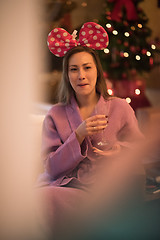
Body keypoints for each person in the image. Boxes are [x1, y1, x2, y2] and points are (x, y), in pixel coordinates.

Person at [37, 22, 144, 238]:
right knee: (37, 200)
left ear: (97, 70)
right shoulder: (55, 115)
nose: (81, 75)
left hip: (106, 191)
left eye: (87, 67)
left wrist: (119, 149)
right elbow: (51, 168)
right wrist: (79, 134)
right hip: (65, 187)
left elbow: (140, 149)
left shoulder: (120, 107)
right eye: (73, 69)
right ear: (67, 75)